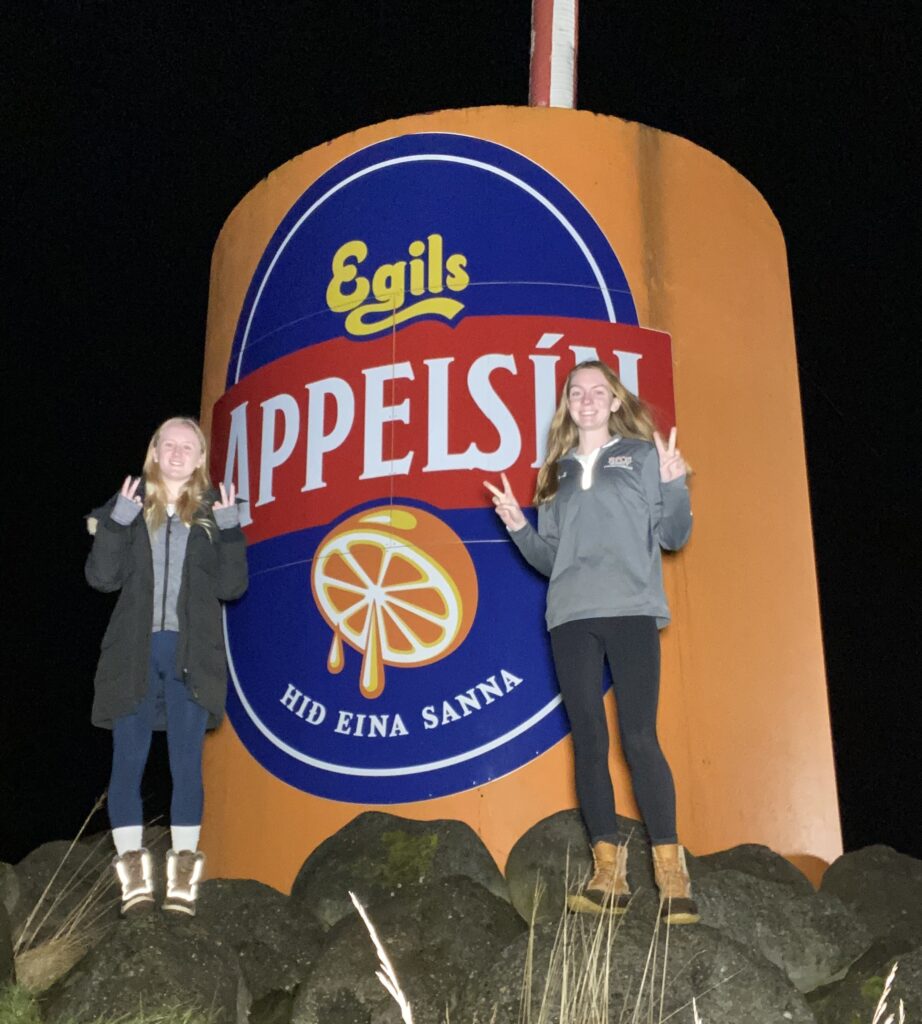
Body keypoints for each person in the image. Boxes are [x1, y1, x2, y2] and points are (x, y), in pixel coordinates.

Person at [485, 361, 698, 924]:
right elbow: (549, 561)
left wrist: (673, 484)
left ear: (614, 401)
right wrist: (517, 525)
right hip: (571, 617)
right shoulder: (553, 473)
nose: (586, 399)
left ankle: (672, 875)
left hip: (631, 611)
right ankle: (609, 874)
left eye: (597, 391)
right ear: (567, 405)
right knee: (589, 739)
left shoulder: (643, 456)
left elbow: (674, 535)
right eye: (576, 392)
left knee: (639, 738)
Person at [85, 416, 248, 916]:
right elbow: (101, 578)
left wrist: (231, 530)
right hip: (131, 655)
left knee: (186, 766)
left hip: (192, 658)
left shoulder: (216, 512)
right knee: (127, 764)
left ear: (200, 459)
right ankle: (133, 878)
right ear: (154, 452)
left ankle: (182, 880)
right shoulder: (127, 505)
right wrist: (118, 522)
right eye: (169, 444)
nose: (177, 453)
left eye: (188, 447)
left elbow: (231, 587)